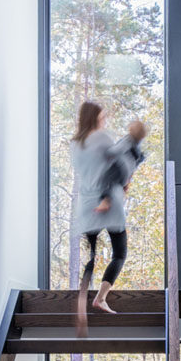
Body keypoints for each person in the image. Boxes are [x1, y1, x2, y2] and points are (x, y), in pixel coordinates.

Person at [70, 101, 148, 335]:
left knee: (91, 257)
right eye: (102, 115)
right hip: (108, 201)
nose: (104, 119)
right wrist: (135, 151)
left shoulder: (75, 144)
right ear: (95, 117)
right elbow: (117, 165)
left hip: (85, 205)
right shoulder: (102, 138)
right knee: (120, 253)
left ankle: (82, 303)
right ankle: (101, 299)